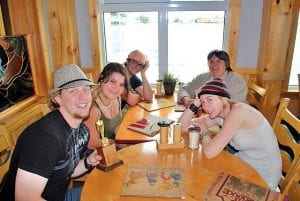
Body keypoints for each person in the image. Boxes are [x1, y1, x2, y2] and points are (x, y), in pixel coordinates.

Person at [0, 64, 102, 201]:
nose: (83, 96)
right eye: (72, 91)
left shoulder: (82, 131)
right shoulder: (45, 139)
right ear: (57, 98)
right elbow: (24, 198)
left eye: (85, 89)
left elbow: (66, 171)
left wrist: (89, 161)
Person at [178, 78, 281, 190]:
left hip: (263, 179)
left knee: (203, 185)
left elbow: (209, 152)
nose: (206, 107)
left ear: (223, 99)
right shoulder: (220, 113)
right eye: (203, 102)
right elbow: (181, 127)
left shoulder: (238, 111)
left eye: (210, 99)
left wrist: (204, 131)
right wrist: (196, 102)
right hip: (244, 166)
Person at [177, 49, 248, 106]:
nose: (214, 65)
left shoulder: (237, 81)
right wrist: (185, 99)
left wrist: (200, 104)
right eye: (211, 61)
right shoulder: (202, 77)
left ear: (226, 64)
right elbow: (185, 89)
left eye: (218, 61)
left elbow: (233, 104)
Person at [84, 62, 129, 149]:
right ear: (101, 78)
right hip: (99, 153)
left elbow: (116, 126)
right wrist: (118, 143)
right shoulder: (93, 108)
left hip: (116, 143)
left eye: (121, 84)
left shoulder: (117, 97)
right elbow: (92, 143)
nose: (116, 88)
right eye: (112, 81)